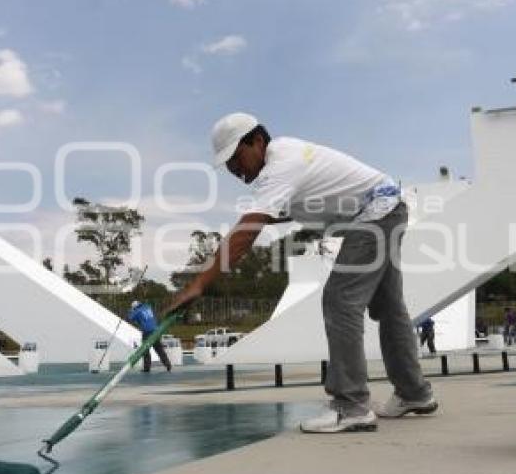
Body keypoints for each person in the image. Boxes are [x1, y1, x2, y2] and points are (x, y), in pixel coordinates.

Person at [164, 112, 436, 433]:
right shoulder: (285, 160)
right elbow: (275, 214)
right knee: (388, 307)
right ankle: (414, 393)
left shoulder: (280, 164)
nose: (236, 170)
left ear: (257, 141)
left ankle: (351, 407)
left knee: (340, 300)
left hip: (376, 213)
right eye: (229, 166)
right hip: (387, 207)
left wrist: (197, 285)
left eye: (237, 158)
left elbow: (248, 231)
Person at [127, 301, 172, 373]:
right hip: (155, 330)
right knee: (159, 349)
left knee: (145, 350)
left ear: (134, 307)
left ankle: (147, 368)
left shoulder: (137, 311)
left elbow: (130, 318)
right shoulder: (147, 307)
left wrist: (130, 312)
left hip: (147, 332)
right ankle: (168, 364)